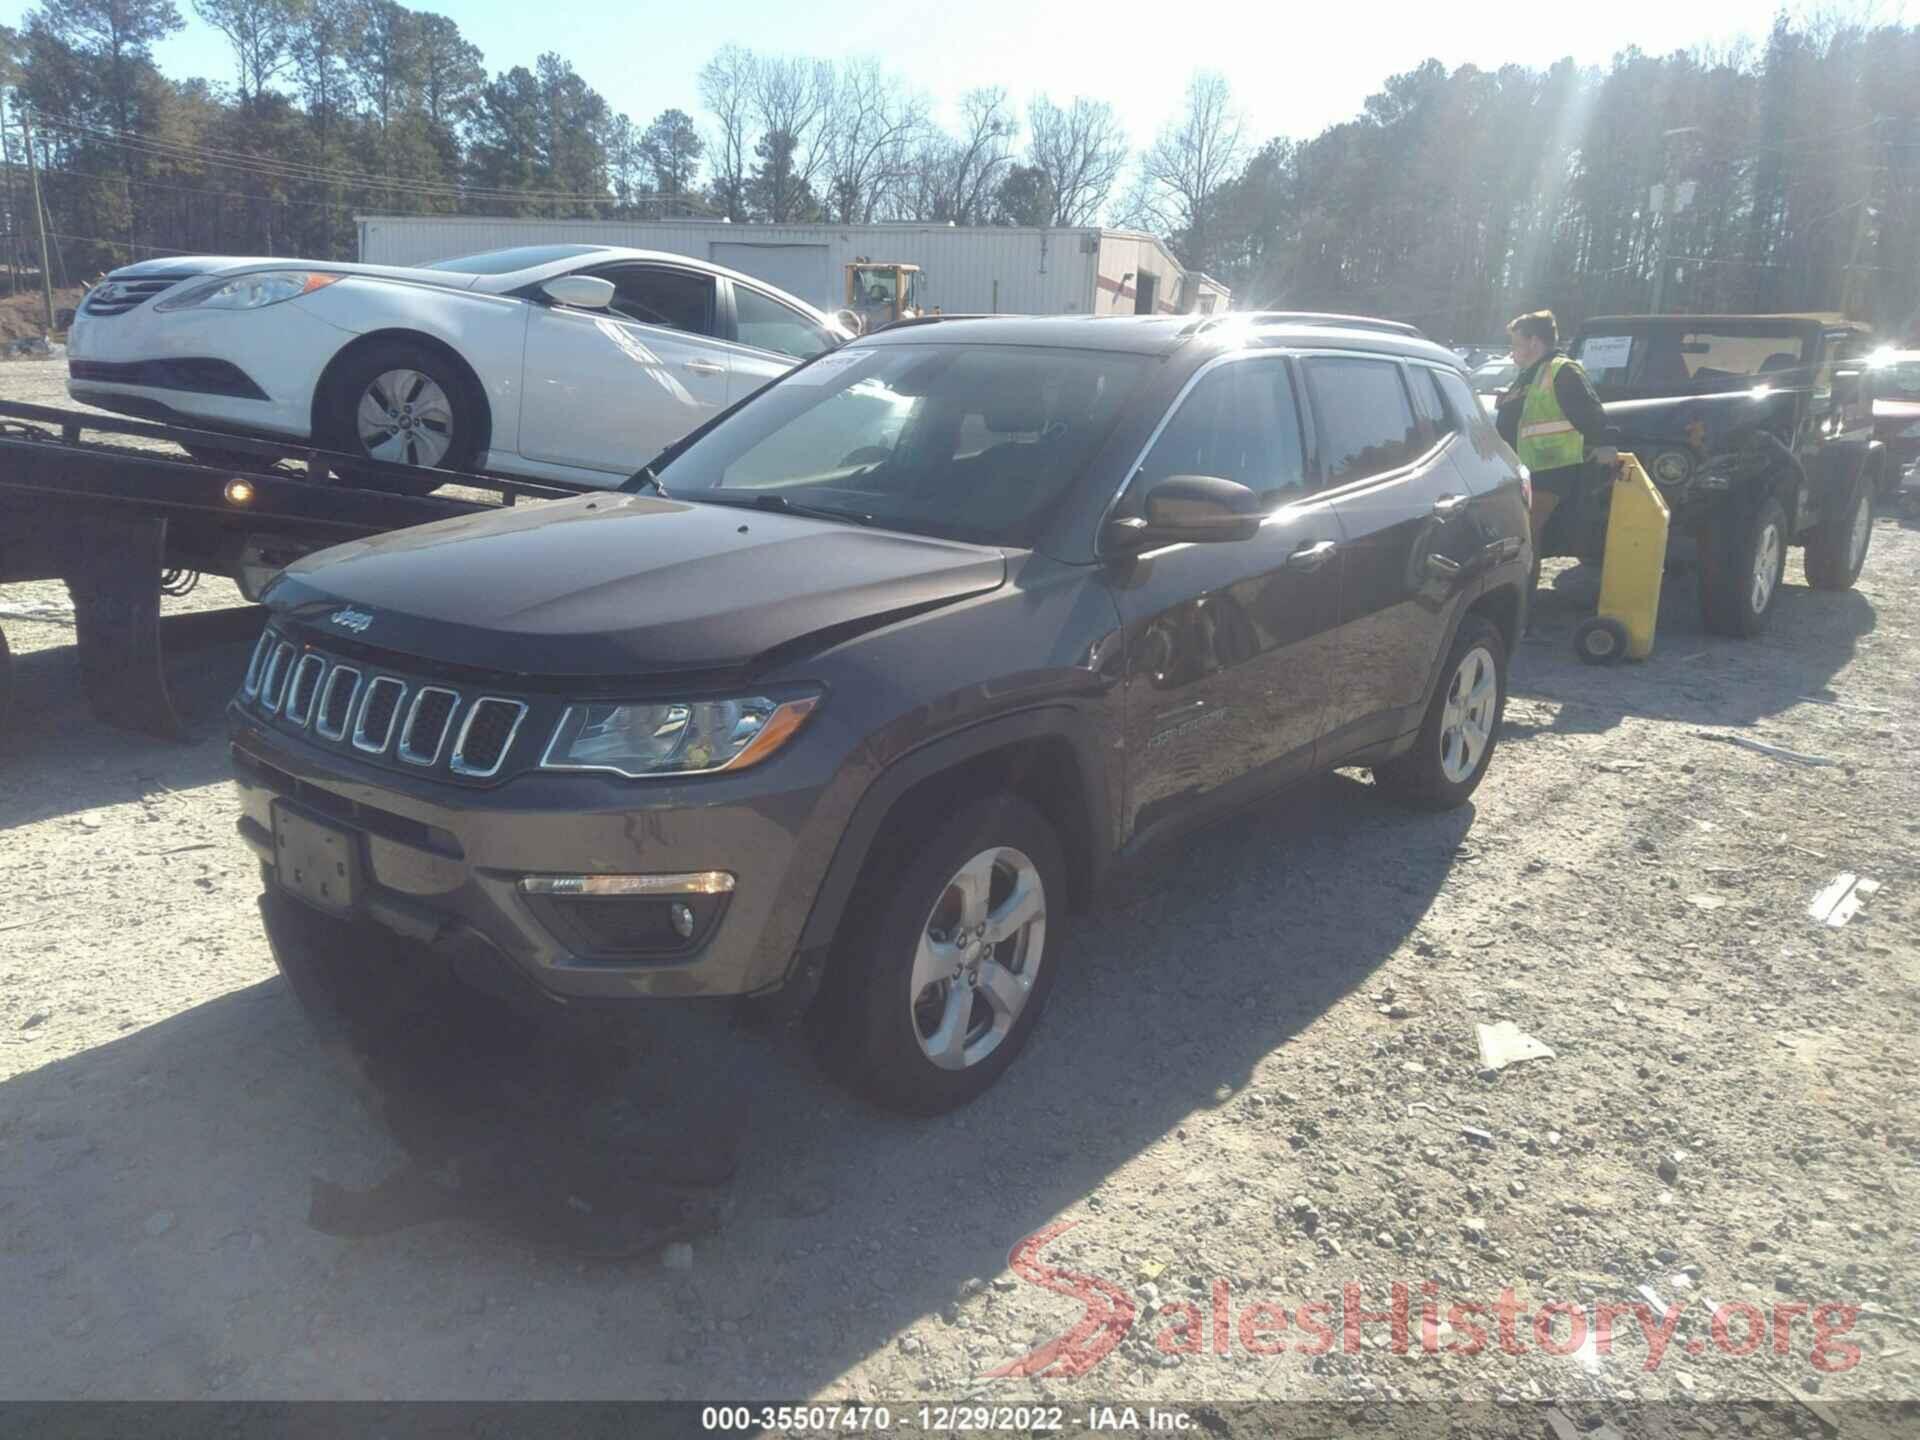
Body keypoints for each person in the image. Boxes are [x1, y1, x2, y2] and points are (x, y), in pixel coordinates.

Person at [1494, 310, 1619, 555]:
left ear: (1534, 342)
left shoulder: (1562, 370)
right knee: (1528, 537)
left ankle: (1525, 590)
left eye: (1516, 343)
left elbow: (1591, 413)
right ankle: (1526, 588)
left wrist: (1606, 443)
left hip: (1550, 470)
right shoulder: (1529, 373)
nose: (1512, 350)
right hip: (1527, 469)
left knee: (1524, 536)